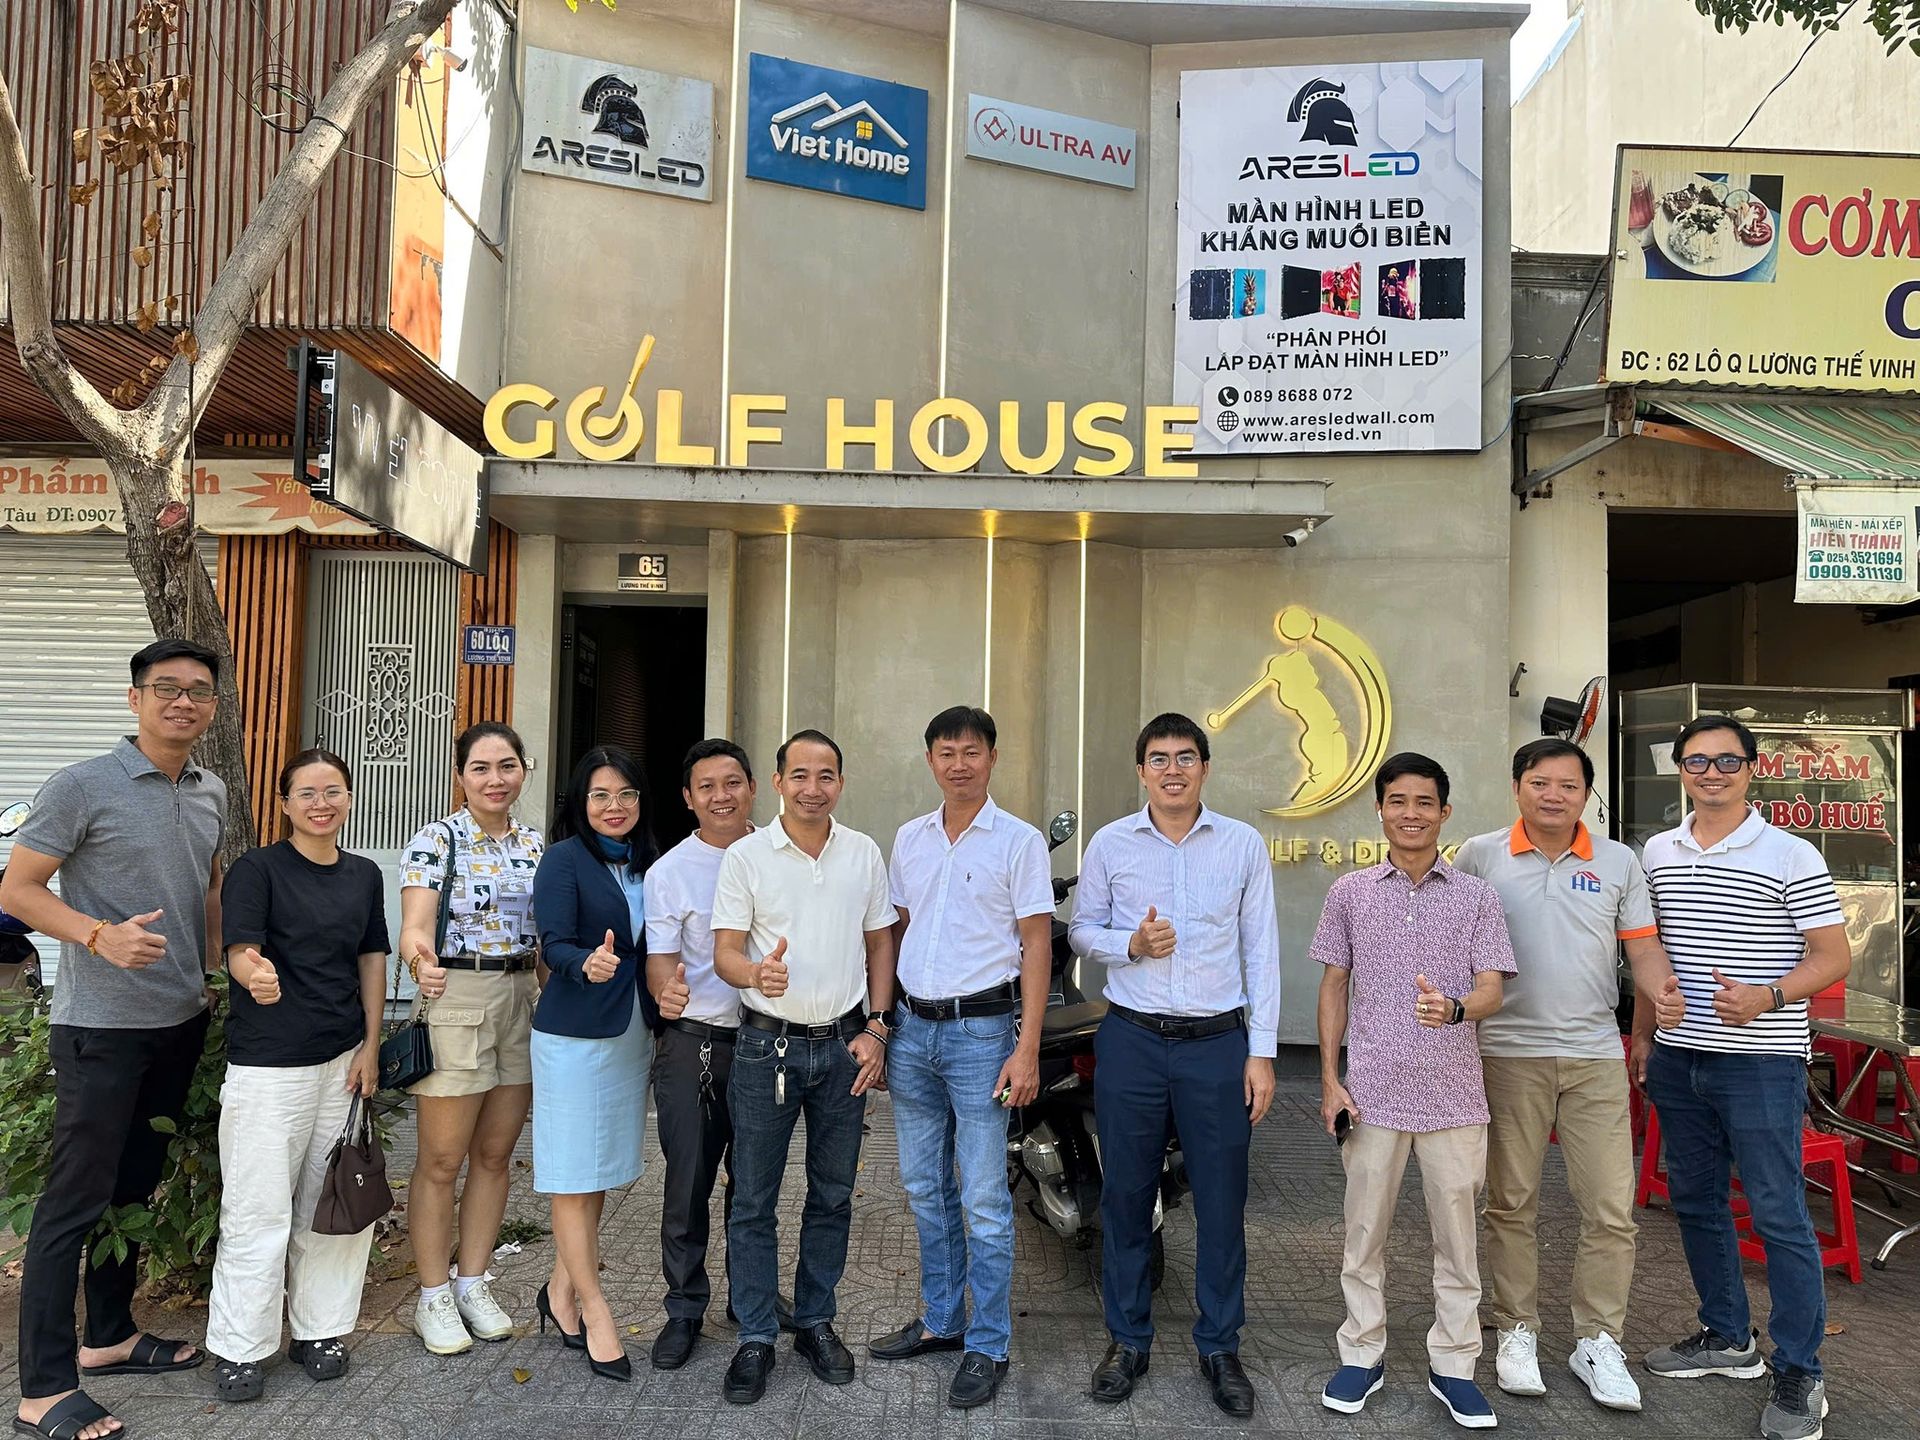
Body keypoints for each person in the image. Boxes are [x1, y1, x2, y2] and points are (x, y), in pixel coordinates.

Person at [2, 638, 225, 1440]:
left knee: (132, 1187)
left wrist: (215, 967)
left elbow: (206, 888)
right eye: (166, 687)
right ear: (135, 699)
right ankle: (42, 1389)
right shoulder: (81, 784)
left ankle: (108, 1336)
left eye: (198, 691)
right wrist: (98, 935)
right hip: (100, 1027)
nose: (183, 701)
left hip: (178, 1019)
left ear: (212, 707)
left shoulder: (209, 789)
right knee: (74, 1200)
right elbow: (18, 890)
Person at [1453, 738, 1686, 1411]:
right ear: (1517, 787)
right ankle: (1516, 1328)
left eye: (1567, 785)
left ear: (1586, 794)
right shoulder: (1479, 856)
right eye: (1539, 782)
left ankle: (1599, 1340)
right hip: (1506, 1053)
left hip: (1593, 1055)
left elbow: (1643, 950)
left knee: (1610, 1207)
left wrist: (1660, 1000)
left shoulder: (1617, 861)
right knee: (1511, 1202)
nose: (1553, 795)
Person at [1639, 715, 1849, 1440]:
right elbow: (1652, 951)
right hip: (1680, 1058)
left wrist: (1768, 996)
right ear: (1681, 770)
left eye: (1727, 760)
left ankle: (1800, 1369)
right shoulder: (1658, 851)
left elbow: (1832, 956)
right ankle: (1728, 1338)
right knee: (1696, 1203)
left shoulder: (1791, 854)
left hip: (1761, 1062)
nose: (1712, 773)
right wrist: (1644, 1034)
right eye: (1697, 761)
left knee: (1777, 1213)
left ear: (1752, 769)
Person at [1069, 712, 1280, 1418]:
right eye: (1158, 758)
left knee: (1221, 1201)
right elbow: (1081, 930)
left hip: (1217, 1045)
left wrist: (1262, 1053)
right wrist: (1129, 945)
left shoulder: (1242, 844)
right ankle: (1128, 1340)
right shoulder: (1111, 843)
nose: (1172, 770)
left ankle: (1219, 1346)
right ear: (1141, 772)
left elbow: (1262, 952)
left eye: (1185, 757)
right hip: (1131, 1039)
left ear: (1205, 768)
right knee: (1126, 1196)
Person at [1313, 752, 1515, 1431]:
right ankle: (1361, 1353)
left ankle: (1454, 1366)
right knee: (1363, 1234)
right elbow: (1333, 986)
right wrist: (1330, 1081)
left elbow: (1492, 989)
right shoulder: (1350, 892)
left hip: (1455, 1097)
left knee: (1458, 1243)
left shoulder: (1477, 896)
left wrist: (1455, 1008)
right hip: (1371, 1094)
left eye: (1424, 802)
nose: (1411, 813)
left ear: (1444, 812)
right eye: (1397, 801)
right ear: (1380, 809)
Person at [871, 707, 1055, 1409]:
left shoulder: (1019, 841)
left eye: (971, 752)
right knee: (924, 1187)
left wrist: (1026, 1047)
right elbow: (896, 932)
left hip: (983, 1036)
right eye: (946, 752)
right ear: (929, 761)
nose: (959, 764)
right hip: (913, 1032)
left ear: (992, 758)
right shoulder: (910, 838)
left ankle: (989, 1342)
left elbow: (1036, 944)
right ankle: (943, 1320)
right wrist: (881, 1024)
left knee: (982, 1198)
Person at [709, 730, 895, 1405]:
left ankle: (816, 1321)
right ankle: (757, 1334)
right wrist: (755, 973)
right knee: (754, 1199)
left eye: (826, 776)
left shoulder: (863, 852)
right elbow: (726, 952)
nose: (813, 788)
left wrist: (878, 1026)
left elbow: (880, 944)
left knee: (833, 1193)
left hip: (845, 1048)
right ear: (778, 782)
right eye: (800, 775)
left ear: (840, 783)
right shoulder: (747, 856)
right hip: (768, 1049)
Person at [206, 748, 388, 1403]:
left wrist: (371, 1046)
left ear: (349, 798)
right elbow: (239, 950)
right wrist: (252, 973)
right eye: (306, 793)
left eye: (333, 790)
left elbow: (372, 959)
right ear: (284, 804)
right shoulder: (258, 870)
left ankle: (321, 1331)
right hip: (269, 1070)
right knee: (257, 1211)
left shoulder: (364, 875)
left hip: (341, 1063)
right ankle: (240, 1346)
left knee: (332, 1205)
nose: (321, 803)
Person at [399, 721, 544, 1356]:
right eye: (481, 767)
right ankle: (432, 1294)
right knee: (440, 1158)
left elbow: (547, 935)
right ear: (460, 776)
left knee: (494, 1155)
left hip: (522, 996)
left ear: (523, 771)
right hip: (457, 994)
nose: (495, 779)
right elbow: (415, 925)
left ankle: (472, 1283)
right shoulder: (437, 841)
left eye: (507, 766)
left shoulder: (537, 845)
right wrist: (419, 960)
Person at [529, 746, 661, 1383]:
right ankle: (595, 1308)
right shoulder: (563, 859)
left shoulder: (649, 860)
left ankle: (559, 1290)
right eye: (601, 795)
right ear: (580, 802)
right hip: (575, 1037)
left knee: (599, 1169)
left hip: (631, 1028)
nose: (615, 806)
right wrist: (585, 961)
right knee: (573, 1175)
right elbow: (552, 943)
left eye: (626, 794)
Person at [643, 739, 768, 1369]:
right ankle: (685, 1307)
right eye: (707, 786)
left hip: (770, 1041)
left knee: (755, 1184)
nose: (722, 796)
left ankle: (752, 1300)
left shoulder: (780, 853)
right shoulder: (670, 871)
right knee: (688, 1182)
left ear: (753, 788)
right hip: (697, 1041)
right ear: (688, 799)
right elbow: (661, 957)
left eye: (733, 782)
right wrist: (664, 992)